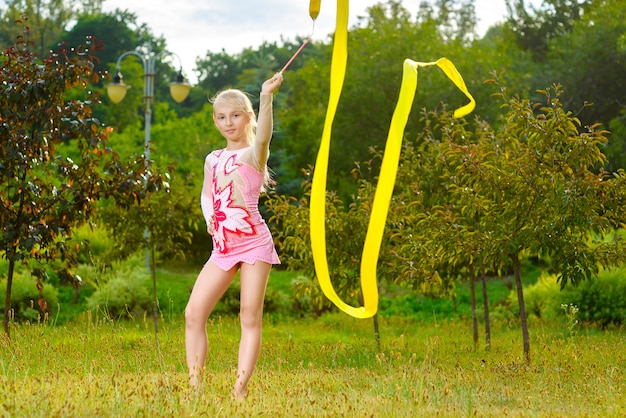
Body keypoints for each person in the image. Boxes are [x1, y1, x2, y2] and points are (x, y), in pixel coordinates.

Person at [185, 73, 283, 400]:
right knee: (194, 313)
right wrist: (208, 214)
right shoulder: (212, 159)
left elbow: (265, 138)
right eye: (221, 117)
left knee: (248, 316)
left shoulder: (253, 154)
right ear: (215, 120)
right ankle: (194, 388)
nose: (228, 123)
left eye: (235, 115)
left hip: (254, 243)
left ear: (248, 117)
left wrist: (266, 96)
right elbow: (205, 194)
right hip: (222, 248)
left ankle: (239, 391)